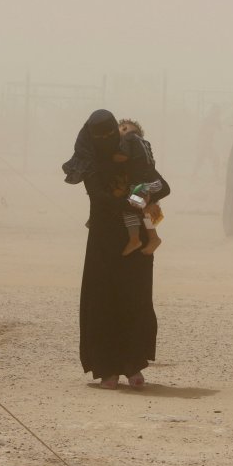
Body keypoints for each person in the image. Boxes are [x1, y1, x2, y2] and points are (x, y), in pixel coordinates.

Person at [62, 109, 170, 390]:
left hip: (136, 246)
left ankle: (133, 366)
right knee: (102, 302)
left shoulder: (136, 156)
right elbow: (98, 198)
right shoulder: (90, 160)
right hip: (103, 241)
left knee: (135, 301)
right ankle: (107, 370)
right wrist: (131, 203)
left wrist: (137, 196)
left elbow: (161, 186)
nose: (111, 139)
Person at [115, 118, 163, 256]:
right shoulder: (144, 143)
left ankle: (135, 239)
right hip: (153, 183)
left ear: (124, 129)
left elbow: (123, 156)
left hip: (141, 185)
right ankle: (153, 237)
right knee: (145, 210)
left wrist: (111, 157)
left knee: (130, 208)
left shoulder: (128, 138)